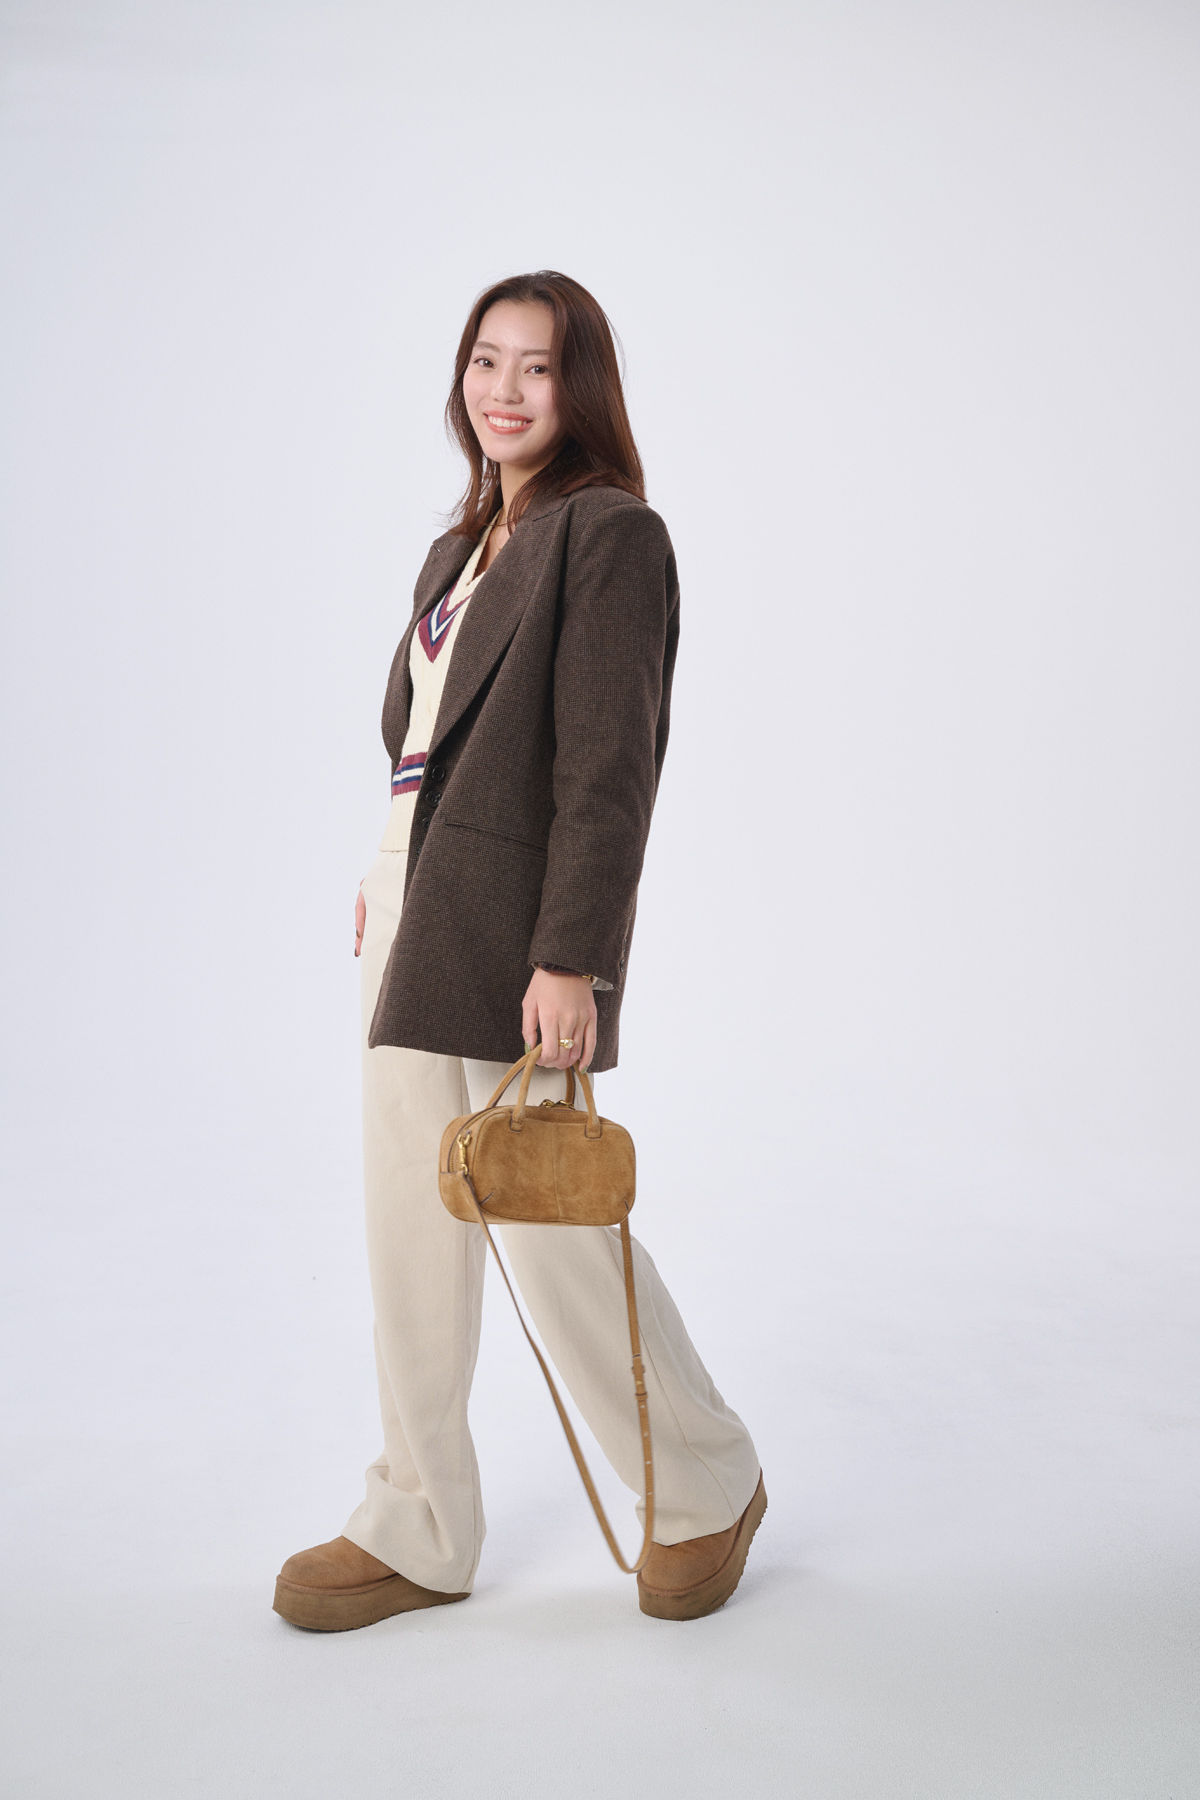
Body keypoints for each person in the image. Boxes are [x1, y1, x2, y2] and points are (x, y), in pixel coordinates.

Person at [272, 271, 764, 1631]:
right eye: (484, 360)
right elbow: (428, 749)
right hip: (411, 912)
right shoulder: (461, 547)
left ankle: (704, 1484)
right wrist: (386, 872)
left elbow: (609, 771)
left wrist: (574, 958)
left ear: (579, 386)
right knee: (408, 1223)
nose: (503, 390)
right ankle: (419, 1523)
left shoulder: (610, 535)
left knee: (549, 1225)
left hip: (518, 937)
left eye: (535, 367)